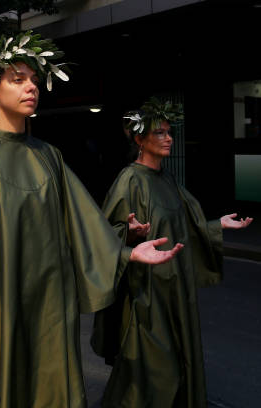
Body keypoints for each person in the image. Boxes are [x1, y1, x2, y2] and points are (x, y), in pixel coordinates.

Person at [0, 31, 184, 408]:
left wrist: (126, 254)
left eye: (34, 80)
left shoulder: (49, 156)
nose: (30, 87)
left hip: (52, 306)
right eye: (17, 79)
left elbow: (83, 220)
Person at [90, 98, 253, 408]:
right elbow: (105, 238)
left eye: (169, 132)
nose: (168, 138)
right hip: (146, 296)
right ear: (139, 139)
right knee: (153, 369)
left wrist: (217, 225)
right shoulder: (129, 181)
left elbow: (184, 227)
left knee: (178, 362)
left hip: (176, 290)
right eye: (159, 133)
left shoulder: (167, 179)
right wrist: (130, 234)